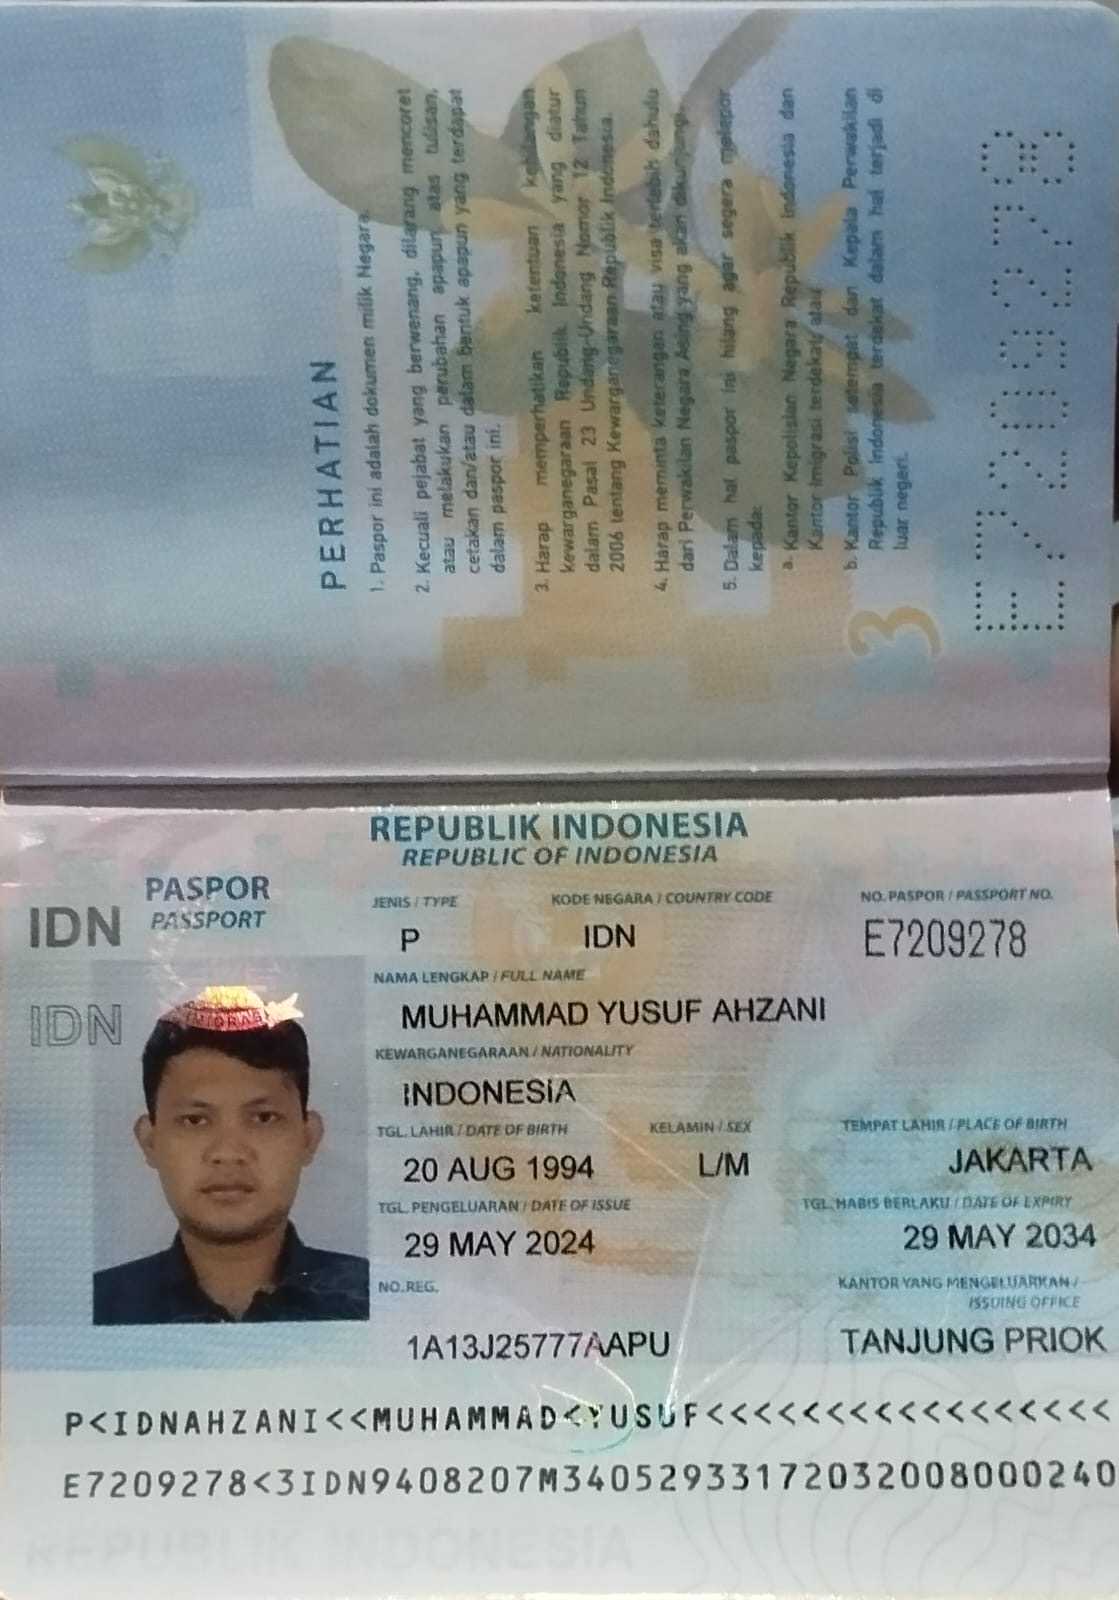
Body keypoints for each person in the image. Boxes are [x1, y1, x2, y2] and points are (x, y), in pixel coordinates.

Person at [93, 986, 369, 1324]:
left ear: (308, 1137)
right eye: (195, 1120)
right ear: (150, 1142)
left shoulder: (377, 1298)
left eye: (263, 1118)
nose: (228, 1153)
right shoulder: (95, 1306)